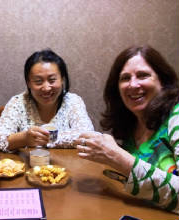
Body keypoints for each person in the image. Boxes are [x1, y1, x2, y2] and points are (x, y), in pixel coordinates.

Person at [74, 45, 179, 214]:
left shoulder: (176, 116)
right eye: (125, 78)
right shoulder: (132, 124)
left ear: (163, 80)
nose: (133, 84)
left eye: (143, 75)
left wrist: (117, 156)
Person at [0, 49, 94, 152]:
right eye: (38, 81)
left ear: (62, 79)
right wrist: (24, 138)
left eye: (52, 80)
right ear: (28, 83)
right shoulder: (18, 102)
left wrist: (45, 139)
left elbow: (88, 136)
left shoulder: (73, 101)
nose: (46, 88)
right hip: (27, 166)